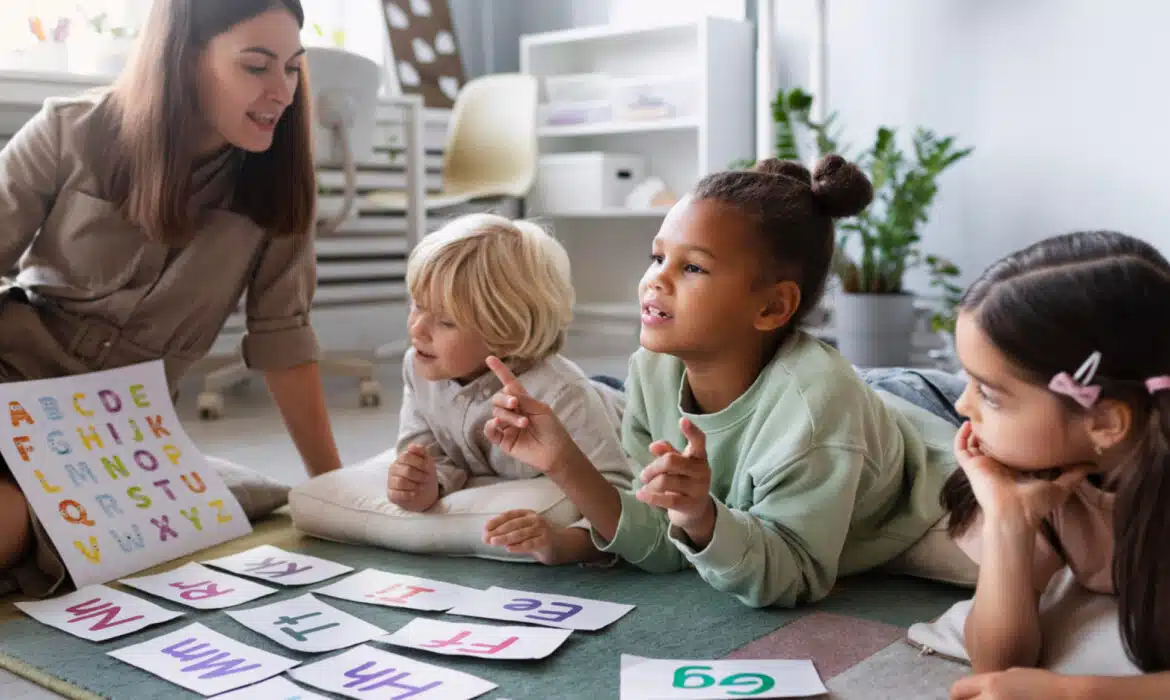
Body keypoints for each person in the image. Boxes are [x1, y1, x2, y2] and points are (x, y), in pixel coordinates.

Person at [481, 155, 962, 607]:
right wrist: (563, 460)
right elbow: (662, 544)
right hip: (857, 393)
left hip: (932, 407)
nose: (655, 280)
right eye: (657, 257)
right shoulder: (652, 369)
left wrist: (701, 517)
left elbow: (793, 575)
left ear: (772, 306)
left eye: (692, 267)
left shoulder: (816, 413)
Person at [0, 0, 343, 596]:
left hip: (116, 439)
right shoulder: (70, 130)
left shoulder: (277, 186)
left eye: (291, 68)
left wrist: (336, 490)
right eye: (256, 66)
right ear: (182, 60)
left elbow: (284, 341)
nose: (282, 91)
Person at [933, 231, 1170, 698]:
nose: (963, 405)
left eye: (989, 394)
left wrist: (1073, 692)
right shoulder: (1050, 476)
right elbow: (996, 663)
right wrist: (1008, 521)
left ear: (1104, 420)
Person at [387, 213, 633, 565]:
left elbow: (619, 501)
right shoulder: (419, 364)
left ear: (505, 333)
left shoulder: (562, 394)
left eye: (445, 321)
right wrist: (426, 483)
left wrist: (562, 543)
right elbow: (427, 448)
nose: (417, 329)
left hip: (620, 409)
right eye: (417, 305)